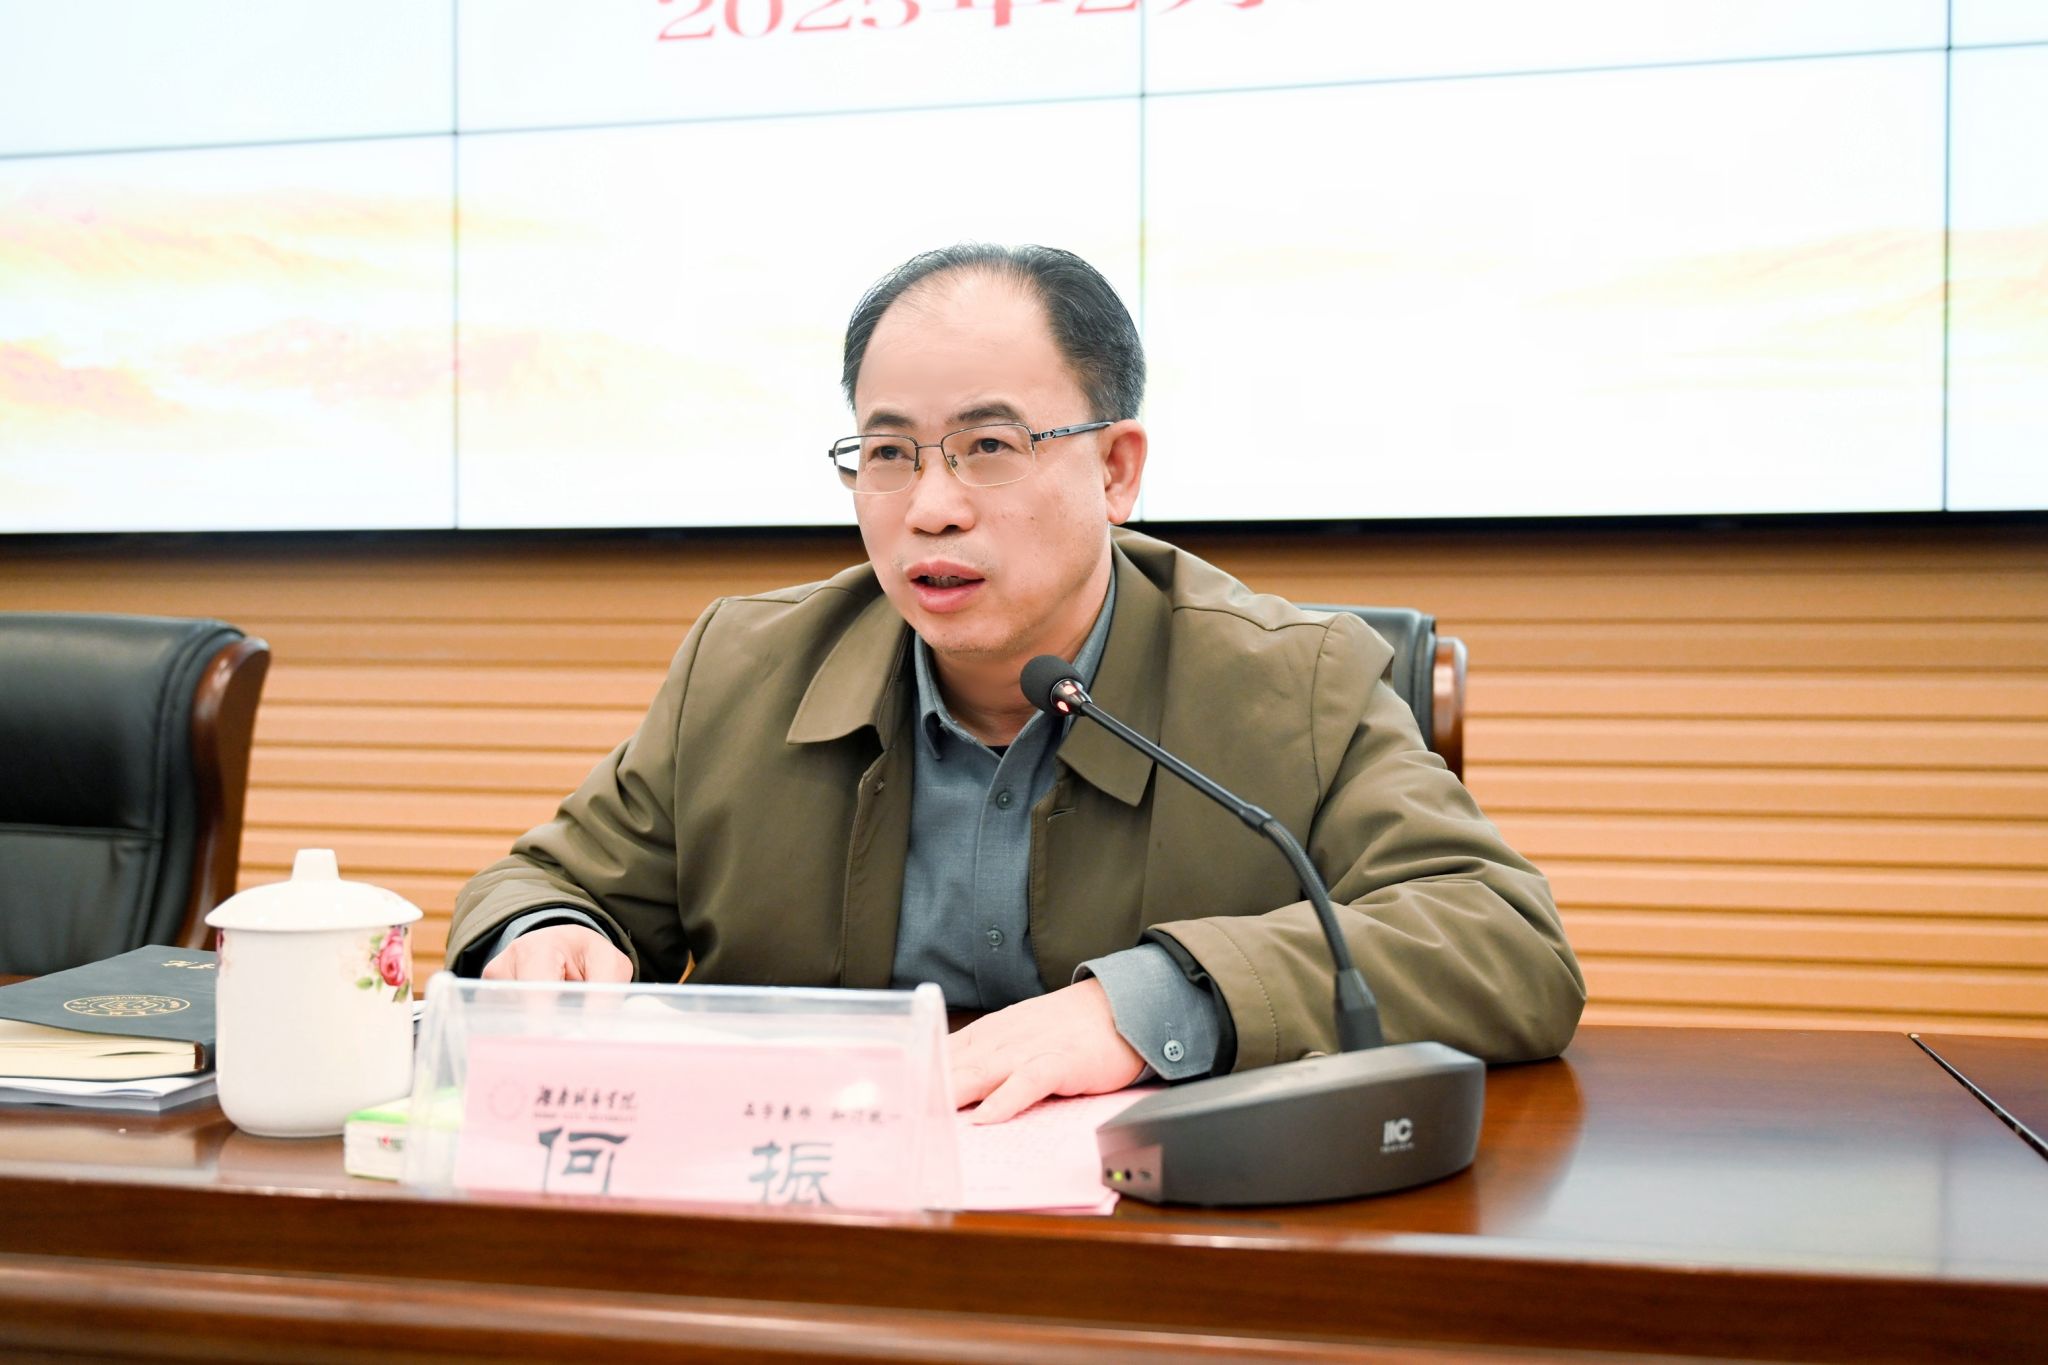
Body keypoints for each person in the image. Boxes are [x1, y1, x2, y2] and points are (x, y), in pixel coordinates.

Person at [447, 244, 1584, 1122]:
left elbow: (1502, 942)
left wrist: (1148, 1007)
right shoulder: (745, 669)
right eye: (888, 453)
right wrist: (544, 937)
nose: (930, 507)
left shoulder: (1292, 683)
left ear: (1116, 469)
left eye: (988, 447)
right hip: (819, 1222)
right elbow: (550, 882)